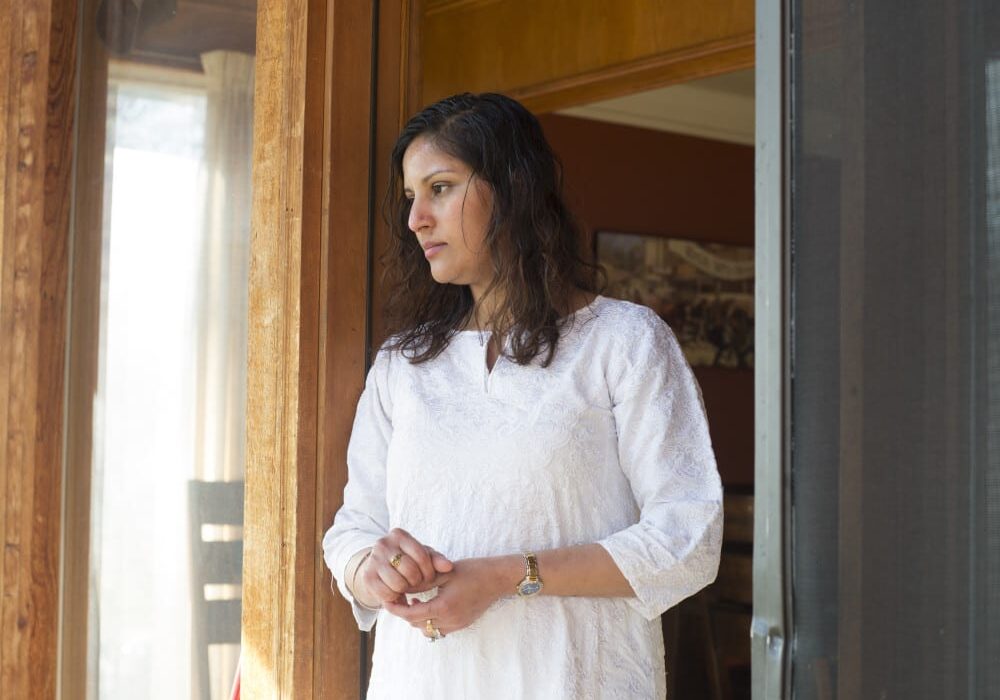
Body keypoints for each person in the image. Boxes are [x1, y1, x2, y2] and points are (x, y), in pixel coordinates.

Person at [322, 92, 723, 699]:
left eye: (440, 188)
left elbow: (686, 538)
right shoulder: (403, 367)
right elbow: (354, 525)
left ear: (512, 188)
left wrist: (505, 578)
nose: (416, 220)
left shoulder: (623, 342)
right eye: (411, 198)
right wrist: (369, 568)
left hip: (572, 680)